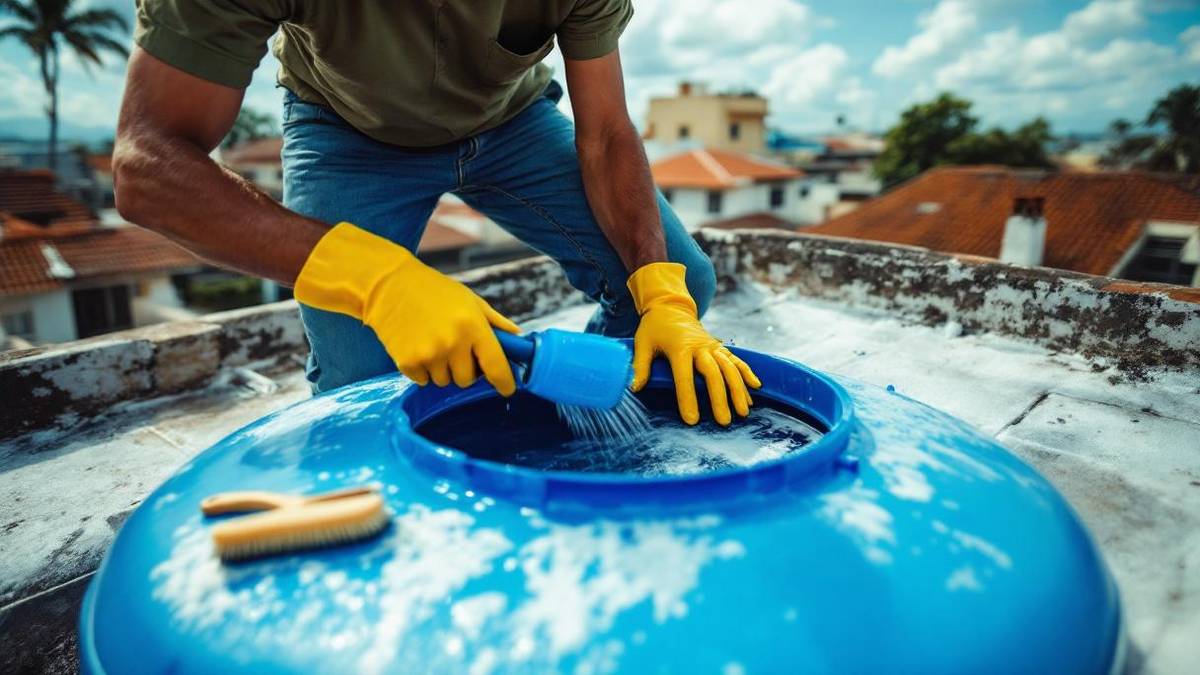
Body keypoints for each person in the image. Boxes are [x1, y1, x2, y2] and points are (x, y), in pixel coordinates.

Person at [114, 0, 760, 425]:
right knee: (358, 384)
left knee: (681, 282)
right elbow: (147, 168)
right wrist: (378, 281)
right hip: (346, 130)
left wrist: (660, 292)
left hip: (512, 122)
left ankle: (582, 419)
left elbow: (608, 132)